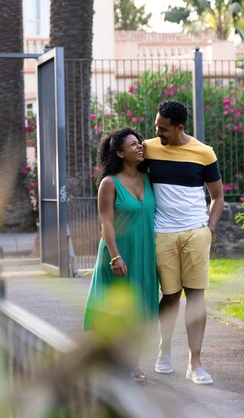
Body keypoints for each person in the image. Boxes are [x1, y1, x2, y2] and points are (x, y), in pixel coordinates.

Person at [145, 100, 224, 385]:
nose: (158, 132)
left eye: (163, 128)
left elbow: (217, 196)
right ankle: (164, 351)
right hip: (162, 233)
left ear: (179, 128)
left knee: (196, 297)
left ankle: (195, 362)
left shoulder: (204, 153)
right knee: (169, 296)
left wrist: (210, 227)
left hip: (195, 233)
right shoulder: (149, 149)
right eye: (157, 126)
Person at [83, 128, 159, 384]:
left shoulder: (149, 179)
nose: (139, 147)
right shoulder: (109, 183)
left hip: (144, 253)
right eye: (132, 145)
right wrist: (115, 257)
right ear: (118, 152)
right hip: (118, 253)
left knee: (140, 308)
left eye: (139, 143)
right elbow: (106, 222)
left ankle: (133, 362)